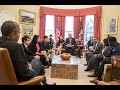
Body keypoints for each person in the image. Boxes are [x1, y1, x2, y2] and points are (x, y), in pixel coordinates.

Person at [0, 21, 56, 85]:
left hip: (4, 80)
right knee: (37, 61)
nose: (19, 36)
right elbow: (24, 75)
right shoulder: (16, 46)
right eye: (19, 33)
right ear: (12, 34)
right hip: (18, 80)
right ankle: (44, 81)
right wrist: (29, 68)